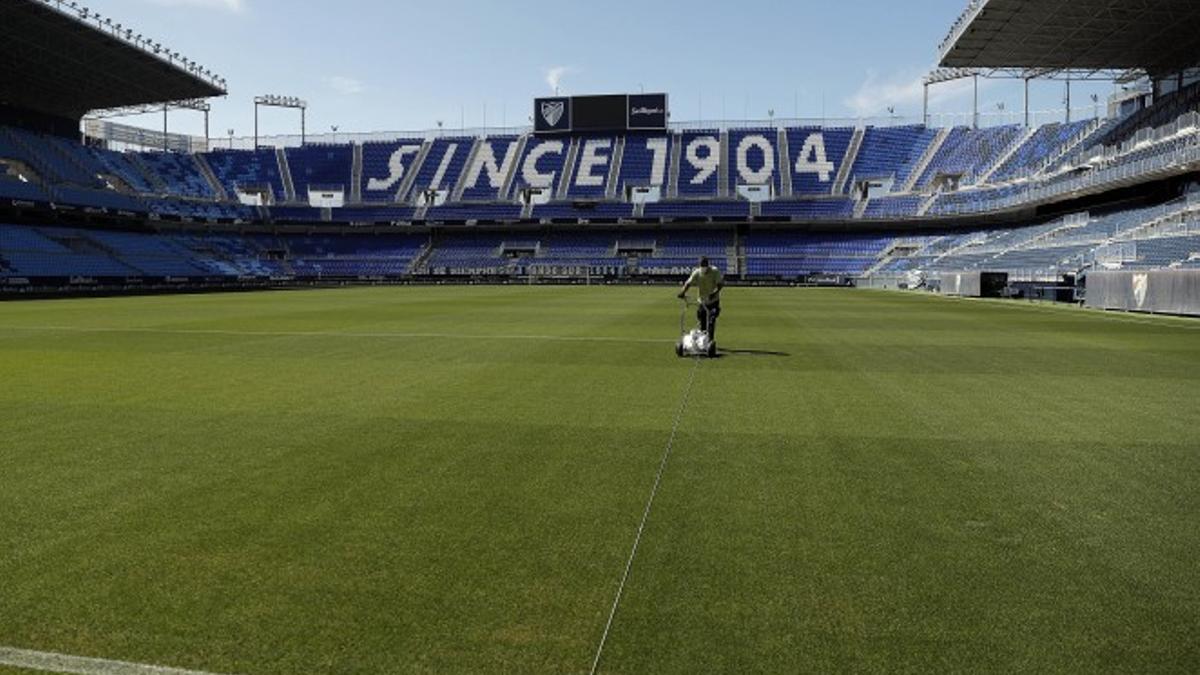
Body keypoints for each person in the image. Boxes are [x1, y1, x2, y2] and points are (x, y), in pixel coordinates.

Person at [678, 256, 724, 348]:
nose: (703, 267)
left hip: (713, 302)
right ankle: (702, 342)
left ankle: (710, 342)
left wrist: (714, 293)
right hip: (702, 302)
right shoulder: (697, 273)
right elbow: (688, 283)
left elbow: (720, 285)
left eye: (705, 265)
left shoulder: (715, 271)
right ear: (699, 265)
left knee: (711, 321)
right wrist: (682, 292)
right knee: (702, 322)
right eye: (701, 265)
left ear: (708, 265)